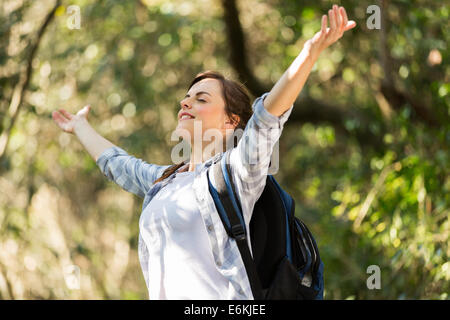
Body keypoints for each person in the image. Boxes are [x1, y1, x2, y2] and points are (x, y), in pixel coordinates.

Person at [52, 5, 356, 299]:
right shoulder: (164, 182)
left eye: (201, 99)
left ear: (230, 121)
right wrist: (80, 127)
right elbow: (118, 165)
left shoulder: (237, 174)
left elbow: (267, 117)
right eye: (186, 98)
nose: (185, 103)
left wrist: (309, 54)